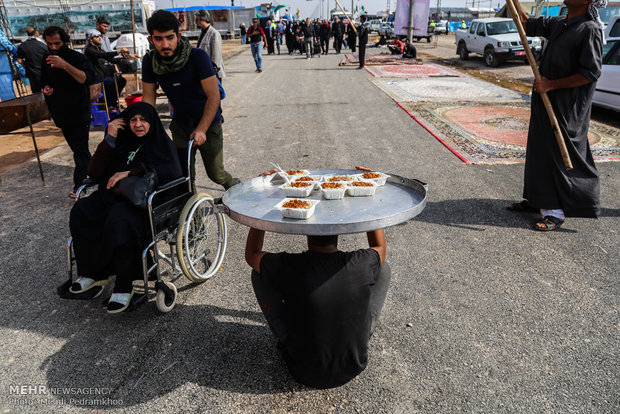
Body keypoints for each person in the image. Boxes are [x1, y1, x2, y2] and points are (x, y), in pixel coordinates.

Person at [68, 103, 183, 314]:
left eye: (143, 119)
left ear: (152, 121)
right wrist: (109, 138)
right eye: (133, 120)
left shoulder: (159, 144)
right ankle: (94, 274)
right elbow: (94, 171)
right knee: (82, 210)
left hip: (144, 202)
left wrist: (130, 173)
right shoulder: (123, 142)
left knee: (119, 219)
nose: (138, 124)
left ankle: (124, 284)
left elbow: (169, 173)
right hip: (114, 195)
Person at [245, 227, 391, 389]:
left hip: (301, 369)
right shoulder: (362, 262)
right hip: (353, 365)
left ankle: (286, 337)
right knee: (382, 267)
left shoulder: (289, 266)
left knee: (259, 272)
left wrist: (257, 222)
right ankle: (361, 335)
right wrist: (372, 215)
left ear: (306, 233)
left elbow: (252, 254)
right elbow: (380, 248)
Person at [506, 0, 604, 231]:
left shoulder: (590, 29)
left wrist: (552, 85)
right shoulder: (560, 22)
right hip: (545, 97)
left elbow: (590, 72)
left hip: (567, 105)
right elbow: (525, 22)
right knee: (539, 149)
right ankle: (537, 201)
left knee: (560, 155)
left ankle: (556, 212)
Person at [141, 10, 238, 191]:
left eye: (169, 37)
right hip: (181, 124)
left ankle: (235, 188)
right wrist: (142, 125)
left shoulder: (197, 57)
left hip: (208, 122)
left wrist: (202, 129)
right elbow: (147, 99)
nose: (165, 44)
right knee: (183, 176)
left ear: (178, 36)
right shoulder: (150, 61)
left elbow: (214, 95)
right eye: (159, 39)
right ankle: (192, 217)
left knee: (216, 174)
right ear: (151, 39)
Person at [41, 26, 95, 197]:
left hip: (79, 111)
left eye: (57, 43)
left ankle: (79, 186)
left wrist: (65, 65)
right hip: (61, 113)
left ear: (64, 41)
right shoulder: (46, 59)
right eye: (50, 44)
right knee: (79, 150)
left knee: (80, 151)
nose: (54, 47)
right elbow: (44, 81)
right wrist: (47, 88)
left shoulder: (77, 58)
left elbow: (86, 79)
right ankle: (97, 169)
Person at [83, 29, 131, 108]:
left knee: (121, 80)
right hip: (96, 80)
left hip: (104, 79)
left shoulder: (99, 49)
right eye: (97, 37)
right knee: (111, 82)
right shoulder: (89, 50)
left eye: (99, 36)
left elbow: (112, 60)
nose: (99, 38)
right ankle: (108, 104)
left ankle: (111, 102)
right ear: (91, 40)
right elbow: (104, 55)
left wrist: (127, 58)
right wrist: (118, 51)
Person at [195, 10, 226, 82]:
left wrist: (213, 73)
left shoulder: (214, 33)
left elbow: (216, 56)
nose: (195, 22)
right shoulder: (202, 33)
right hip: (204, 72)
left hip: (212, 73)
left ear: (203, 20)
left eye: (197, 20)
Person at [16, 27, 48, 93]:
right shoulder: (43, 45)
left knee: (36, 92)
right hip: (45, 72)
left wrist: (26, 65)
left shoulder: (22, 46)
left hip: (32, 73)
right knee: (48, 90)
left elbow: (19, 60)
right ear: (36, 33)